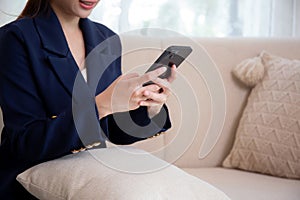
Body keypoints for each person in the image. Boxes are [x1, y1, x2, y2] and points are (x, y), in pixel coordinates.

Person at [0, 0, 176, 199]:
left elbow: (112, 130)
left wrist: (148, 106)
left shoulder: (106, 38)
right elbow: (25, 144)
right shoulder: (15, 38)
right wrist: (101, 105)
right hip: (28, 179)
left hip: (87, 174)